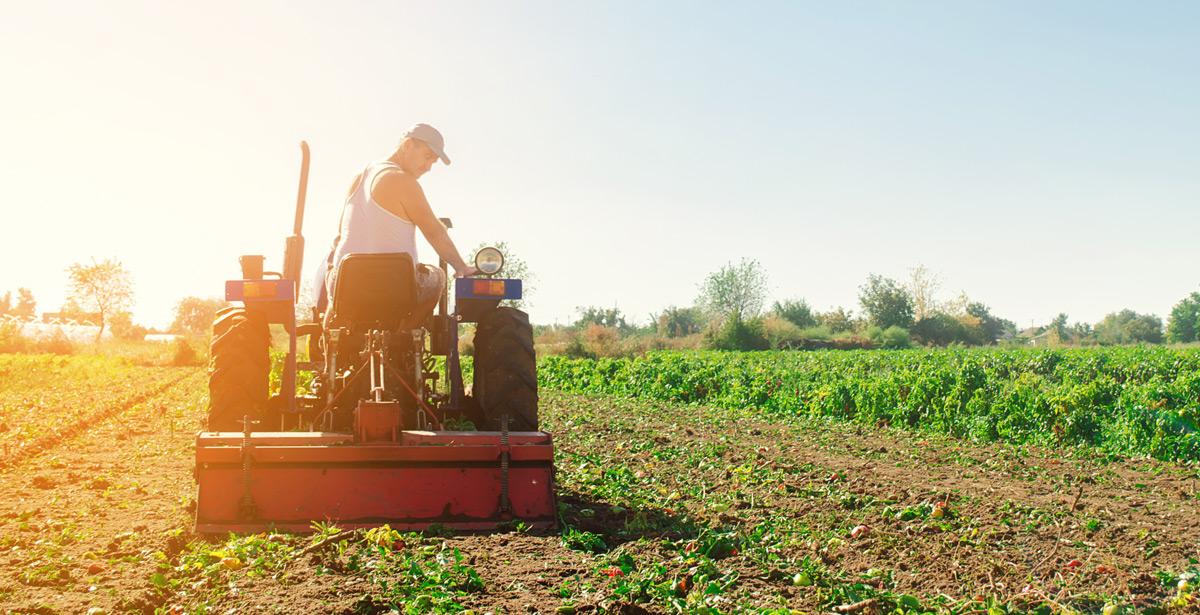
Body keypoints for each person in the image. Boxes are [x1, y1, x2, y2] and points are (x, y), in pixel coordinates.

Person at [315, 124, 477, 321]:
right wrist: (461, 267)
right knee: (437, 277)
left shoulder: (359, 178)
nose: (428, 168)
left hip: (344, 283)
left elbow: (340, 233)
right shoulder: (402, 180)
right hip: (392, 283)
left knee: (337, 278)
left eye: (433, 162)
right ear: (408, 145)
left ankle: (335, 332)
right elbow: (435, 232)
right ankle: (406, 333)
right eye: (427, 157)